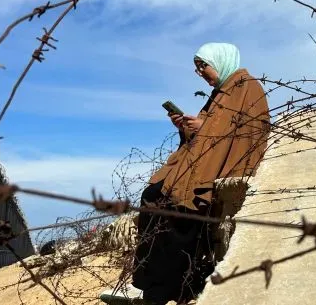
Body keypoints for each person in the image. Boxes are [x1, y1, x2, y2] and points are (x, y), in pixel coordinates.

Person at [100, 43, 270, 305]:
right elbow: (205, 135)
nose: (199, 72)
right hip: (200, 163)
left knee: (176, 211)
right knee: (152, 196)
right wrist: (186, 126)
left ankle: (162, 291)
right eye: (197, 68)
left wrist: (204, 126)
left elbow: (248, 132)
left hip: (220, 166)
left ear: (221, 61)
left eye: (203, 66)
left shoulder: (246, 88)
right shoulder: (220, 93)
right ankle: (145, 284)